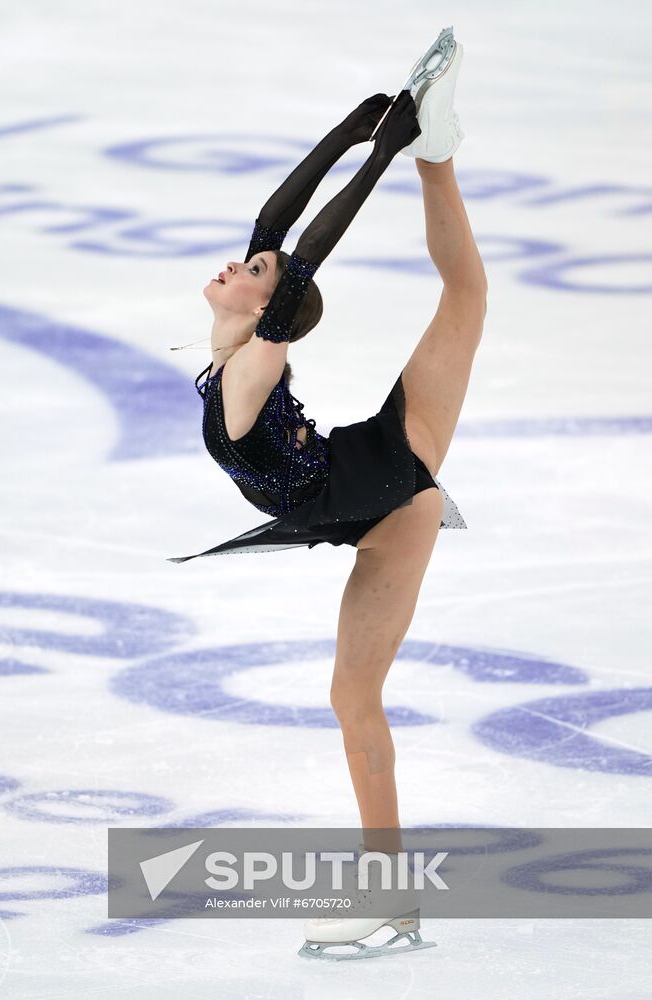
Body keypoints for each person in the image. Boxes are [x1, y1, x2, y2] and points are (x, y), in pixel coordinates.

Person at [171, 25, 487, 959]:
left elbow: (301, 254)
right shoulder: (243, 349)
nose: (240, 262)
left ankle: (390, 900)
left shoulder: (249, 371)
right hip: (380, 462)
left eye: (252, 274)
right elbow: (280, 227)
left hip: (387, 498)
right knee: (465, 298)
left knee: (355, 702)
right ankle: (442, 152)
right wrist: (355, 132)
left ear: (267, 312)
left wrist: (377, 152)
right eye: (245, 263)